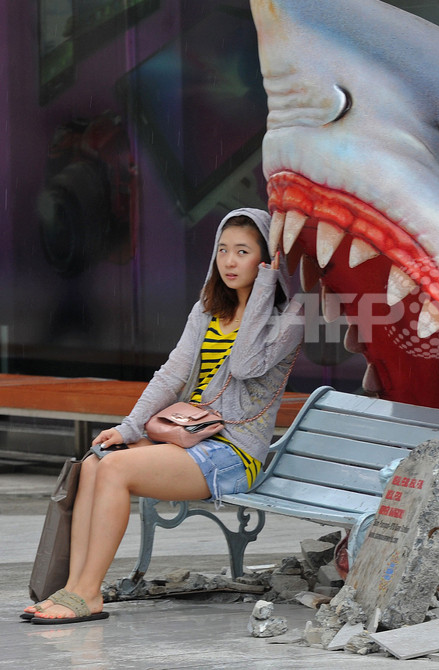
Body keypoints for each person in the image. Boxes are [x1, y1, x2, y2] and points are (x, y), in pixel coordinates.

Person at [24, 207, 303, 624]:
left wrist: (264, 287)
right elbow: (170, 374)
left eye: (242, 251)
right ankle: (73, 588)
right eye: (223, 250)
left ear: (266, 259)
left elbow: (245, 364)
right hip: (190, 437)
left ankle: (88, 592)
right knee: (96, 463)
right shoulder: (208, 310)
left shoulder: (292, 316)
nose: (228, 261)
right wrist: (128, 427)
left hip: (235, 453)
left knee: (117, 471)